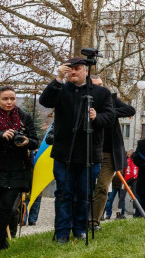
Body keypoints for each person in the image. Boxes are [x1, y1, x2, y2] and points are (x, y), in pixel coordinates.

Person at [39, 58, 114, 244]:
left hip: (89, 153)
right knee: (63, 194)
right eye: (70, 69)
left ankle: (80, 229)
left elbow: (110, 117)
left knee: (85, 194)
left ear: (85, 71)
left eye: (77, 69)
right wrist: (57, 78)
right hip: (64, 152)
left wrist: (97, 117)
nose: (73, 72)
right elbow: (45, 100)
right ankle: (62, 232)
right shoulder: (61, 89)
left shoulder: (101, 92)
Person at [89, 75, 135, 229]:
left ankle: (94, 221)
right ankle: (82, 219)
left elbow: (130, 110)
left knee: (102, 187)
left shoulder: (112, 99)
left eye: (102, 84)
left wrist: (109, 113)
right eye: (96, 85)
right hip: (89, 151)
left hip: (109, 153)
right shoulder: (85, 101)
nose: (101, 88)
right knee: (87, 187)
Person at [0, 86, 39, 250]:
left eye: (12, 98)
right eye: (5, 99)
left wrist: (26, 141)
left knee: (7, 206)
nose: (9, 102)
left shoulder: (24, 117)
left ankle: (1, 239)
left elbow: (35, 140)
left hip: (18, 168)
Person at [124, 150, 138, 217]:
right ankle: (121, 212)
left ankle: (135, 211)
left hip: (134, 179)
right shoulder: (126, 161)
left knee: (134, 195)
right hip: (126, 179)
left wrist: (135, 177)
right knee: (122, 195)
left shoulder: (136, 161)